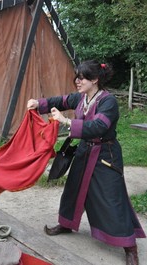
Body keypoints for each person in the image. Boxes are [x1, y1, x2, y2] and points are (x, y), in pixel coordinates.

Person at [27, 60, 145, 265]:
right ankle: (66, 223)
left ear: (95, 80)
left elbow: (99, 126)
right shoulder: (81, 98)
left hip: (105, 155)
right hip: (84, 152)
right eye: (77, 76)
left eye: (82, 77)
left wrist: (66, 122)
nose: (77, 81)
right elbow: (61, 100)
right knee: (73, 190)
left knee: (112, 199)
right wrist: (39, 103)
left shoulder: (108, 101)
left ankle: (129, 246)